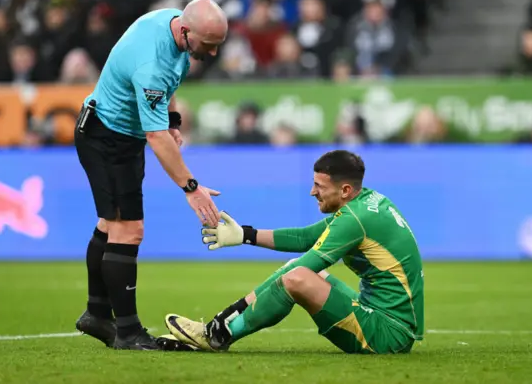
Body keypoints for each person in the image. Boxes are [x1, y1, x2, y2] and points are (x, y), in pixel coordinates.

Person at [74, 0, 227, 351]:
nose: (214, 53)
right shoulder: (152, 63)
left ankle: (97, 313)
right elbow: (155, 137)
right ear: (186, 32)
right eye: (209, 45)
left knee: (109, 226)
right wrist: (192, 189)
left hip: (118, 136)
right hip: (106, 138)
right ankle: (127, 332)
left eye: (218, 44)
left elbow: (168, 90)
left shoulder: (171, 24)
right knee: (128, 231)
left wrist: (172, 119)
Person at [165, 150, 424, 354]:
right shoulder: (366, 202)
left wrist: (229, 312)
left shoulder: (354, 219)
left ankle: (218, 334)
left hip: (388, 334)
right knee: (302, 272)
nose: (313, 192)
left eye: (319, 186)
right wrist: (246, 235)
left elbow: (301, 266)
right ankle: (216, 332)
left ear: (344, 190)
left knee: (296, 277)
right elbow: (306, 238)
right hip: (381, 317)